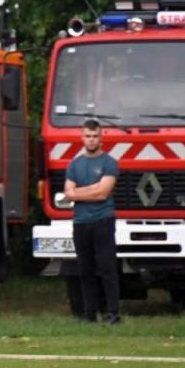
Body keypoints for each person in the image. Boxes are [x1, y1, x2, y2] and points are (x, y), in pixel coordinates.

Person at [64, 117, 121, 325]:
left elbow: (102, 194)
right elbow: (68, 192)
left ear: (101, 137)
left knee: (107, 268)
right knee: (85, 269)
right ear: (82, 137)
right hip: (80, 223)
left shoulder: (109, 163)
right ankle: (89, 313)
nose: (91, 140)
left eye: (95, 136)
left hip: (103, 221)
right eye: (87, 136)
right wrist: (91, 189)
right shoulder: (74, 164)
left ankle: (113, 312)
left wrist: (78, 192)